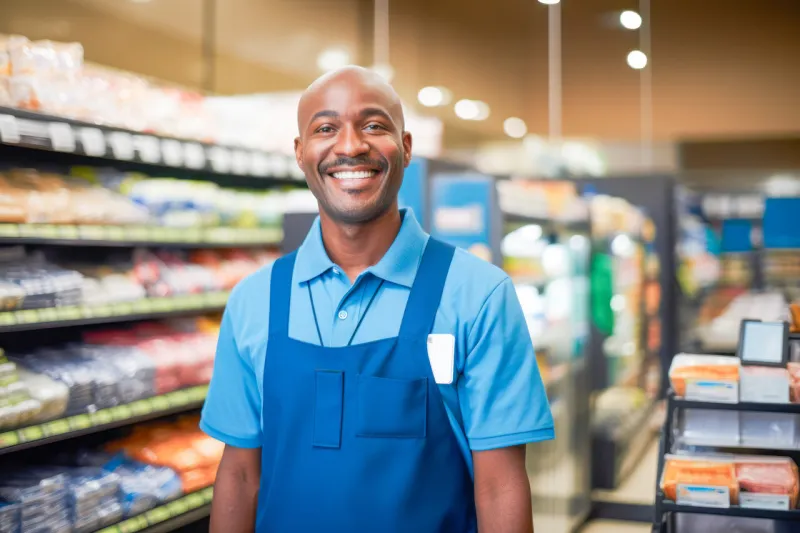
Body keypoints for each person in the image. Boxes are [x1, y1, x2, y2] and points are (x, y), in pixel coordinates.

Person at [200, 66, 554, 533]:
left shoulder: (478, 294)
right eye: (325, 129)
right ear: (300, 152)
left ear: (405, 148)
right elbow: (241, 475)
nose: (350, 146)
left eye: (374, 125)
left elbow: (500, 486)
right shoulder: (253, 300)